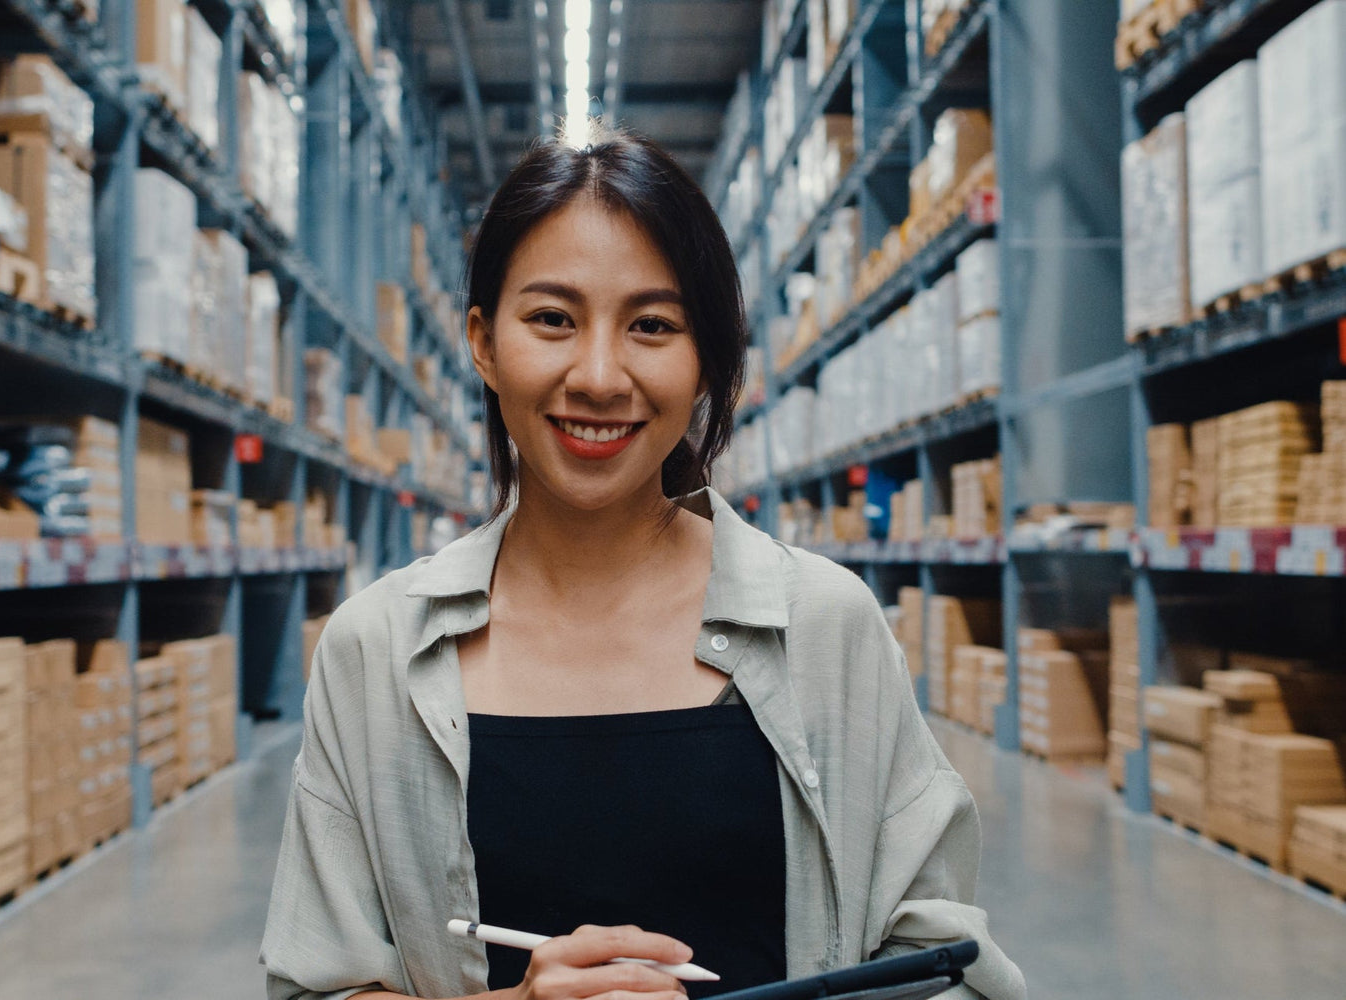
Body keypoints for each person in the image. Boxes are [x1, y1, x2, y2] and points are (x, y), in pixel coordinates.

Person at [261, 122, 1024, 1000]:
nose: (598, 374)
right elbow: (316, 987)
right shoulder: (375, 655)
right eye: (552, 319)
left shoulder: (825, 627)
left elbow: (945, 967)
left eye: (653, 325)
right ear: (482, 341)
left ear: (705, 363)